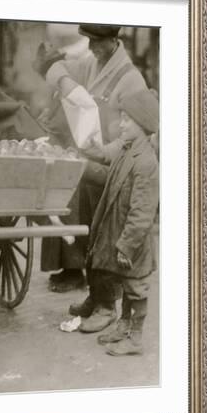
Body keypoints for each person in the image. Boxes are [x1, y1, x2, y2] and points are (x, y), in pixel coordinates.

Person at [40, 23, 149, 293]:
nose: (91, 48)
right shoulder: (92, 63)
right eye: (88, 41)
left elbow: (145, 129)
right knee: (64, 171)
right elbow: (59, 71)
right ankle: (72, 266)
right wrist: (63, 80)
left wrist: (107, 150)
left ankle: (77, 269)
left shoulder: (131, 79)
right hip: (94, 152)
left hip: (118, 163)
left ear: (113, 41)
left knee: (72, 175)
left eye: (97, 42)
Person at [74, 89, 159, 351]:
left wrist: (126, 245)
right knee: (124, 281)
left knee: (136, 287)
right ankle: (123, 327)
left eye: (126, 120)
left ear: (142, 124)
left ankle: (135, 337)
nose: (120, 124)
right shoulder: (126, 149)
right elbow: (106, 160)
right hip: (122, 234)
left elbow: (142, 212)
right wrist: (91, 148)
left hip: (134, 241)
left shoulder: (145, 162)